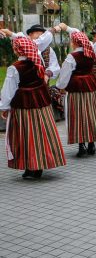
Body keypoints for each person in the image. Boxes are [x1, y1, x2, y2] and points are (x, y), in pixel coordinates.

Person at [0, 37, 66, 179]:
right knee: (42, 133)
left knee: (27, 134)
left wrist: (4, 107)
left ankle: (31, 166)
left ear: (18, 49)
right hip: (41, 103)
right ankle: (40, 163)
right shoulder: (38, 61)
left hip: (24, 105)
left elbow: (8, 90)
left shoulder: (15, 68)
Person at [56, 28, 96, 157]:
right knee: (91, 113)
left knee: (78, 114)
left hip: (77, 87)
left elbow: (65, 75)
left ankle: (81, 145)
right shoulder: (90, 52)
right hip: (91, 86)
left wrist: (60, 86)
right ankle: (91, 143)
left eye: (72, 41)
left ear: (75, 42)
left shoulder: (72, 57)